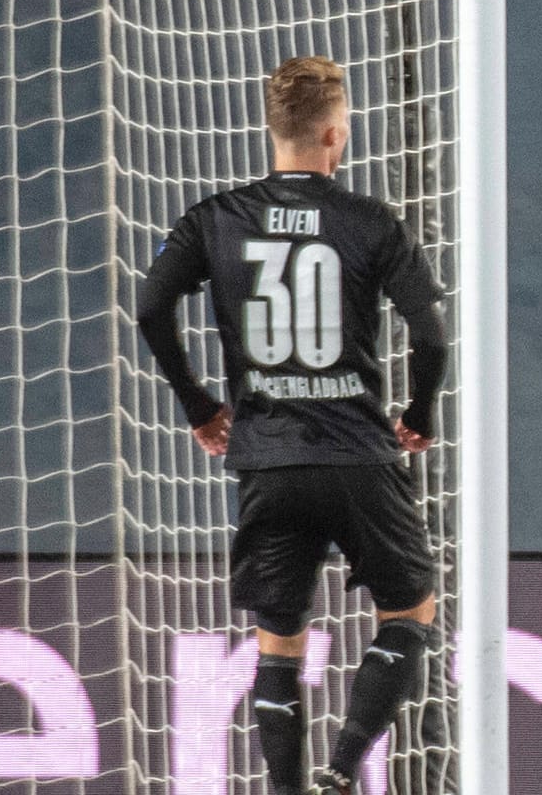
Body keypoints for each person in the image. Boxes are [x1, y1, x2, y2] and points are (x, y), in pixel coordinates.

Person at [136, 56, 449, 795]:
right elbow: (431, 337)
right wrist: (419, 412)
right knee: (411, 609)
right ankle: (341, 773)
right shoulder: (370, 222)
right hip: (357, 455)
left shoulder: (216, 218)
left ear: (271, 131)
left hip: (267, 459)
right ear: (336, 135)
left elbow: (151, 308)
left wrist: (199, 405)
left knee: (278, 638)